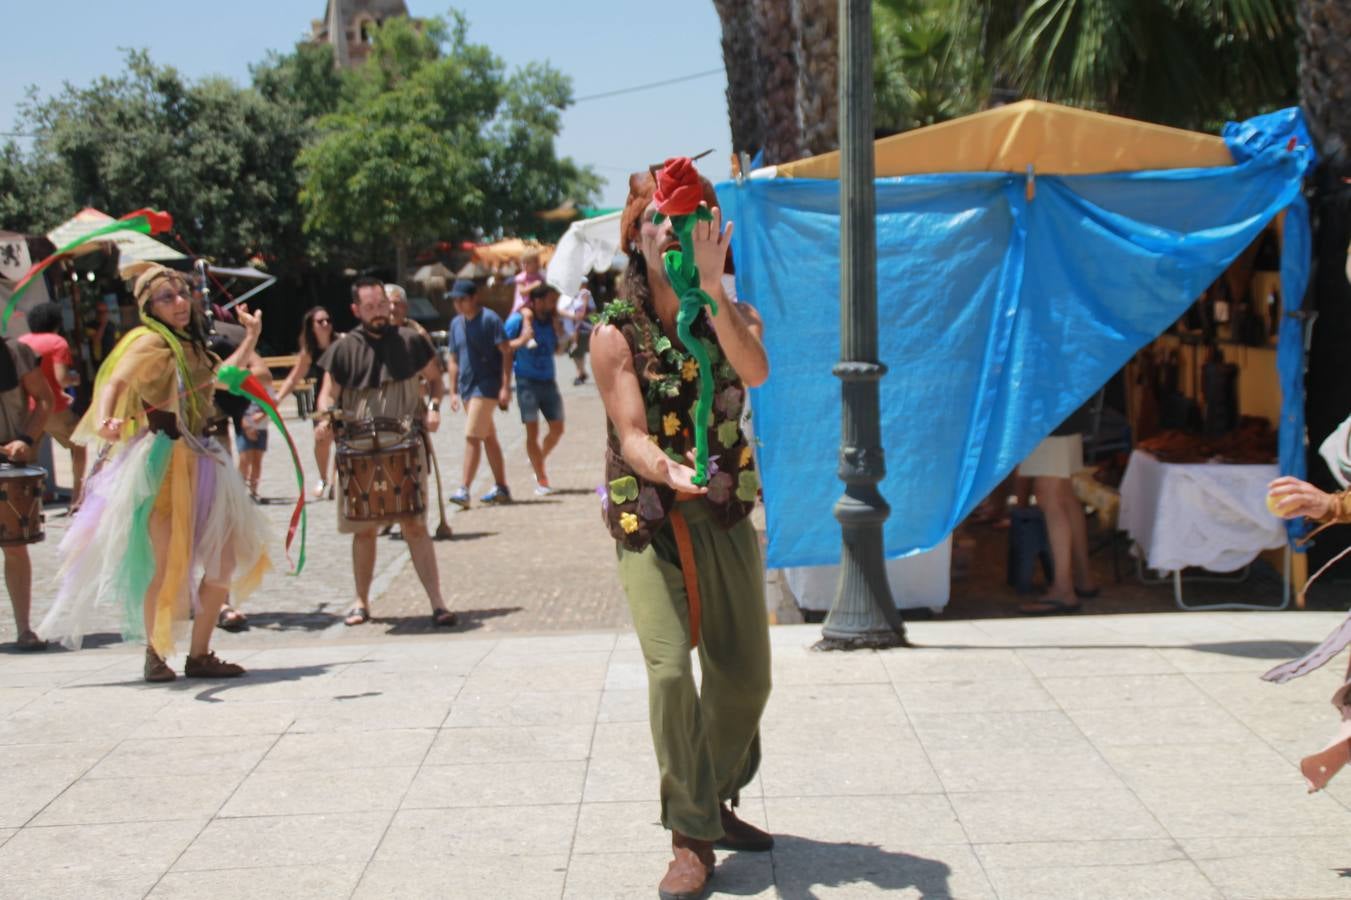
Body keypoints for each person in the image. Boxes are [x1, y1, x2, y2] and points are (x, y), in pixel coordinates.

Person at [590, 161, 773, 900]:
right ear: (634, 238)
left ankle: (712, 793)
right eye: (656, 221)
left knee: (744, 678)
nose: (670, 232)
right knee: (670, 672)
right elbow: (629, 431)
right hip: (651, 513)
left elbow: (753, 370)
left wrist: (716, 288)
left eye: (686, 220)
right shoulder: (613, 333)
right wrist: (662, 467)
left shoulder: (731, 314)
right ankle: (689, 838)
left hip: (723, 506)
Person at [40, 264, 271, 681]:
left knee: (222, 561)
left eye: (183, 293)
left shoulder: (191, 344)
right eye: (168, 297)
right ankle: (155, 653)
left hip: (205, 457)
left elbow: (219, 379)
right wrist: (108, 418)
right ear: (149, 305)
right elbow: (115, 382)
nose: (180, 303)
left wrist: (251, 336)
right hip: (164, 464)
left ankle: (200, 655)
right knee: (167, 566)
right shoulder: (149, 341)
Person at [314, 277, 455, 628]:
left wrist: (434, 406)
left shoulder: (410, 341)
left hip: (404, 445)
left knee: (415, 525)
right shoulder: (344, 349)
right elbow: (328, 395)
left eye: (383, 306)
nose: (379, 313)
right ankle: (361, 601)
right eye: (371, 307)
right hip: (359, 450)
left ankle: (437, 602)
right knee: (364, 529)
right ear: (356, 310)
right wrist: (325, 420)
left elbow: (436, 380)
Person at [1015, 403, 1101, 615]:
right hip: (1065, 411)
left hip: (1048, 415)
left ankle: (1063, 589)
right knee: (1064, 494)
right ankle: (1083, 578)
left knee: (1049, 496)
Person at [0, 335, 53, 650]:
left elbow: (44, 399)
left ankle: (24, 628)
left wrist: (26, 439)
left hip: (10, 460)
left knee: (15, 547)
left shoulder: (14, 352)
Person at [445, 279, 513, 507]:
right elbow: (453, 358)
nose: (458, 304)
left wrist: (505, 386)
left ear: (474, 298)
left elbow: (506, 352)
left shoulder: (490, 319)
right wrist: (453, 391)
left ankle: (464, 489)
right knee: (488, 437)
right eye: (455, 300)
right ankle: (501, 486)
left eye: (462, 299)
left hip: (486, 387)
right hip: (466, 387)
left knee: (472, 436)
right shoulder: (456, 324)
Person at [20, 303, 86, 503]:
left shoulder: (22, 341)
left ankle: (28, 503)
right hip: (55, 409)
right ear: (56, 323)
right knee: (80, 446)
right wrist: (75, 379)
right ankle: (77, 498)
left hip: (29, 410)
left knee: (27, 456)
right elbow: (61, 378)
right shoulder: (57, 342)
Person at [505, 282, 565, 495]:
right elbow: (503, 345)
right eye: (550, 301)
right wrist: (521, 341)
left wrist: (560, 333)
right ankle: (542, 479)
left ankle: (537, 459)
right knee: (533, 431)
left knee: (557, 428)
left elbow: (558, 350)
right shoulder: (518, 321)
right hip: (526, 382)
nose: (553, 305)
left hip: (548, 381)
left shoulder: (550, 321)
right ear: (537, 301)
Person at [276, 306, 339, 499]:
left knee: (342, 440)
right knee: (322, 440)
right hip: (321, 400)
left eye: (328, 320)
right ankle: (323, 478)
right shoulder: (309, 351)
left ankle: (337, 480)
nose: (326, 324)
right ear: (311, 326)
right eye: (320, 321)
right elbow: (293, 379)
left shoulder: (340, 343)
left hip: (344, 397)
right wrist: (276, 400)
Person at [559, 276, 596, 385]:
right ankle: (581, 372)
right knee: (574, 352)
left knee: (577, 351)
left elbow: (586, 310)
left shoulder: (585, 294)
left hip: (581, 327)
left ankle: (580, 373)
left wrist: (580, 316)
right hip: (572, 327)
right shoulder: (573, 295)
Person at [511, 248, 544, 314]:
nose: (525, 265)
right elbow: (522, 292)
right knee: (528, 315)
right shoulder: (521, 277)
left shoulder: (540, 277)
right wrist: (534, 285)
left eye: (528, 263)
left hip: (536, 305)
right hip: (523, 305)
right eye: (524, 263)